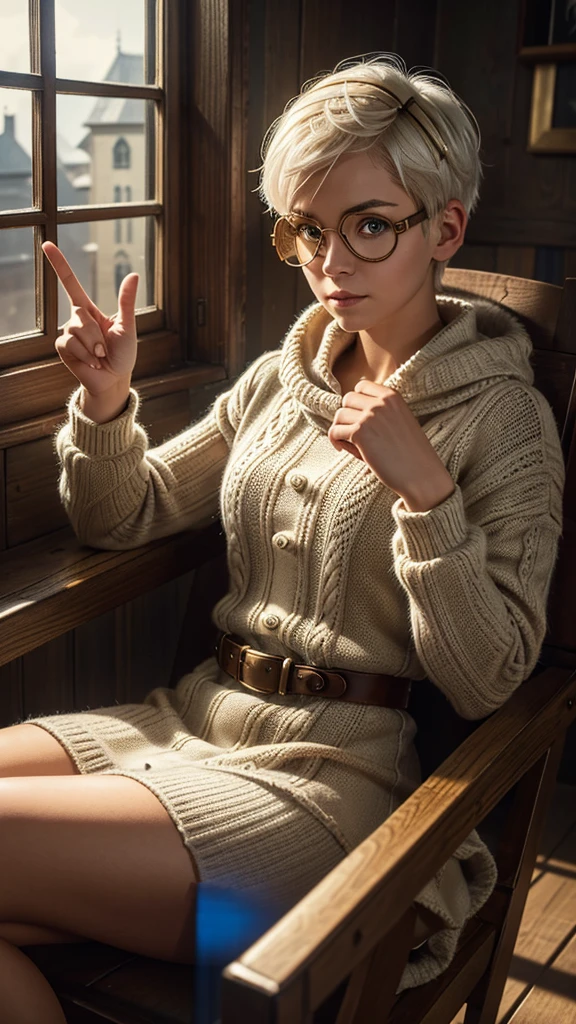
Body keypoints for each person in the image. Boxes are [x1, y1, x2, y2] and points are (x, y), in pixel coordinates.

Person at [0, 53, 565, 1022]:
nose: (330, 264)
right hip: (182, 724)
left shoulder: (502, 420)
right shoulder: (282, 376)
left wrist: (423, 491)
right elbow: (121, 515)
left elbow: (489, 679)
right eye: (307, 229)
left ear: (445, 228)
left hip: (325, 794)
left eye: (370, 226)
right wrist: (104, 403)